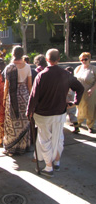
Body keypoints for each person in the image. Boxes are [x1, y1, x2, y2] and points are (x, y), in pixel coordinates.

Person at [27, 49, 84, 178]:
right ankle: (57, 161)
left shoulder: (42, 75)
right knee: (58, 138)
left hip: (43, 114)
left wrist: (29, 112)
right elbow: (80, 88)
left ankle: (49, 167)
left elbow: (34, 96)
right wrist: (75, 102)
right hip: (59, 113)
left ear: (47, 60)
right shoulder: (66, 74)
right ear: (58, 59)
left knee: (45, 140)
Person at [3, 46, 32, 156]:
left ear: (12, 54)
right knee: (24, 121)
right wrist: (30, 97)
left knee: (12, 121)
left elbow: (6, 86)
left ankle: (11, 146)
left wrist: (4, 98)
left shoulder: (9, 67)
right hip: (24, 96)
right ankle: (23, 146)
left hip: (12, 95)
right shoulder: (27, 66)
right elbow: (29, 85)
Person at [74, 52, 96, 134]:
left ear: (89, 59)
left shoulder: (93, 69)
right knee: (79, 107)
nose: (83, 61)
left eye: (85, 59)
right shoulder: (78, 68)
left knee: (90, 108)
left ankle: (90, 125)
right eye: (81, 59)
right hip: (80, 92)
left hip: (90, 92)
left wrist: (93, 89)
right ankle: (78, 122)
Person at [65, 67, 80, 134]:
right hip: (73, 98)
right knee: (72, 113)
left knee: (65, 112)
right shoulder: (74, 79)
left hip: (67, 98)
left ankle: (76, 127)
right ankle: (76, 126)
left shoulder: (66, 80)